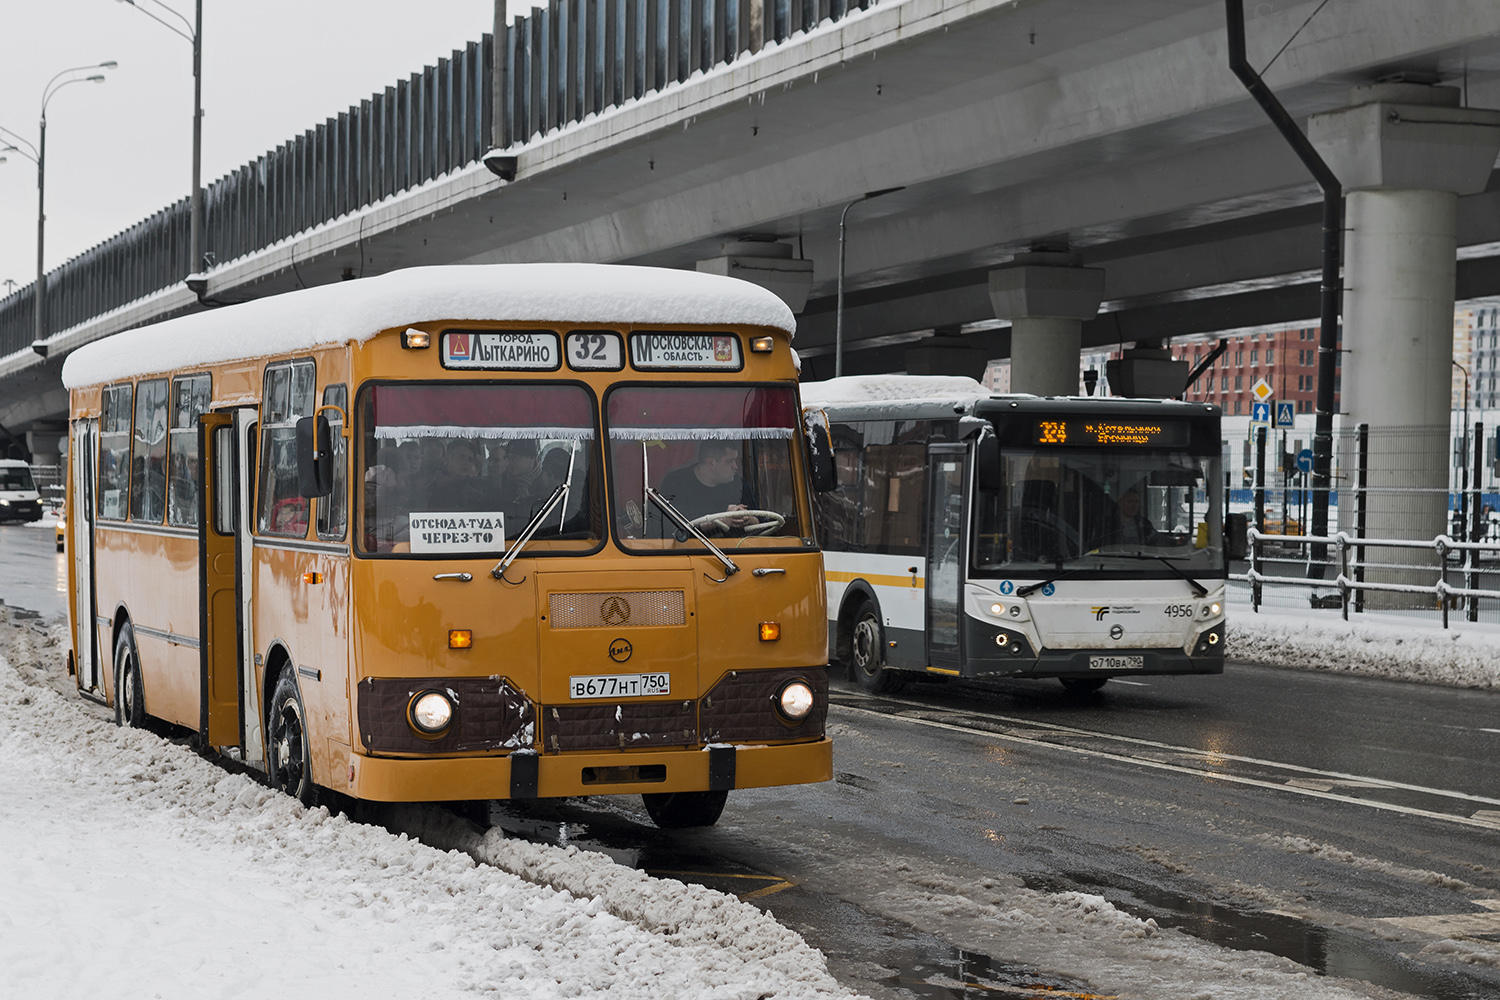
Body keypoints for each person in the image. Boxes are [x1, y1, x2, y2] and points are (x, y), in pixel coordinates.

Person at [659, 440, 753, 527]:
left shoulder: (739, 483)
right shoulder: (676, 483)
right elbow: (672, 528)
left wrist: (746, 517)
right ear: (711, 463)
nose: (735, 467)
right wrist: (721, 521)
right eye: (730, 461)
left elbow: (762, 519)